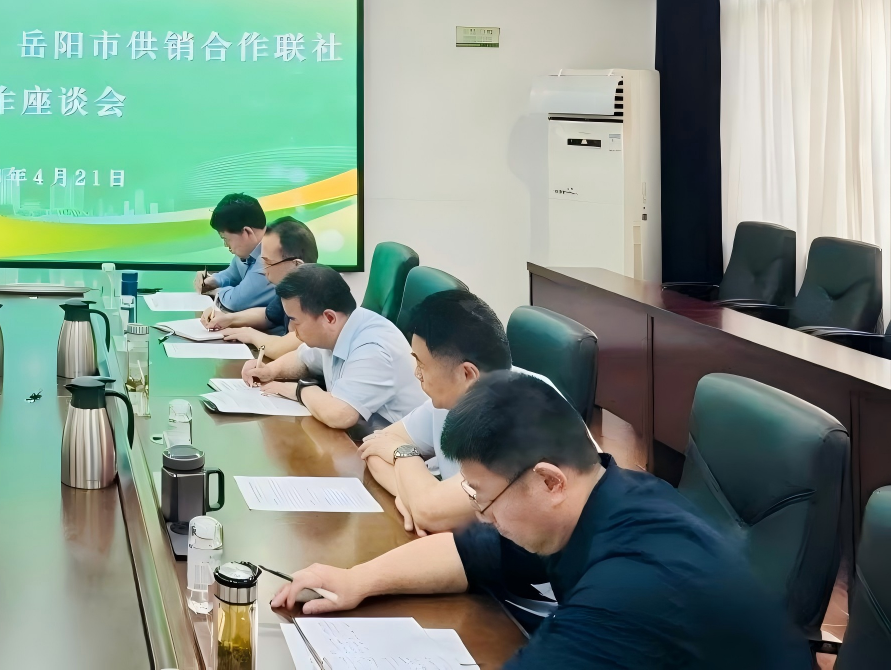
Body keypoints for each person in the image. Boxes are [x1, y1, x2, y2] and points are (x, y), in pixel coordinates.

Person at [272, 373, 812, 670]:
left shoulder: (631, 584)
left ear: (549, 481)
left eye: (484, 497)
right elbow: (469, 552)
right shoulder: (601, 495)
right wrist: (357, 580)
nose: (480, 514)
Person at [358, 289, 521, 534]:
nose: (417, 374)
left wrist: (403, 454)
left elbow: (430, 513)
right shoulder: (456, 396)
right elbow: (375, 446)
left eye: (421, 364)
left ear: (466, 374)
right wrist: (410, 498)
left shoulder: (518, 421)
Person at [243, 263, 425, 430]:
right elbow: (303, 359)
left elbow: (340, 415)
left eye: (295, 320)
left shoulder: (373, 347)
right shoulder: (339, 327)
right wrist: (270, 370)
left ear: (329, 318)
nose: (291, 328)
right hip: (366, 437)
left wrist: (301, 390)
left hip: (401, 449)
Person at [209, 216, 315, 353]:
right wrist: (229, 319)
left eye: (268, 262)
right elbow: (268, 315)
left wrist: (250, 334)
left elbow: (287, 348)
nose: (263, 269)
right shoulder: (289, 289)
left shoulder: (318, 298)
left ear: (296, 265)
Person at [193, 192, 272, 314]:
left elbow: (236, 301)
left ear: (247, 232)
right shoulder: (249, 250)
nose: (226, 245)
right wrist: (212, 281)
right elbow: (233, 274)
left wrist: (215, 292)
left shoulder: (272, 256)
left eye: (226, 239)